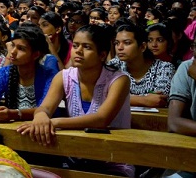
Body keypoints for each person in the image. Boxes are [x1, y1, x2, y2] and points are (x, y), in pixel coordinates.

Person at [17, 25, 133, 177]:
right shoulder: (64, 76)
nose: (78, 51)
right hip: (75, 155)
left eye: (87, 47)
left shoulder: (119, 79)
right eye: (76, 45)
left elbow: (101, 119)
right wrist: (41, 117)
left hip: (113, 159)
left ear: (102, 55)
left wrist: (54, 122)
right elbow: (45, 107)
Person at [0, 26, 57, 122]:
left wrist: (14, 114)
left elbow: (45, 109)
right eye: (13, 45)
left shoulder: (49, 76)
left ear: (36, 55)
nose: (12, 52)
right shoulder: (3, 73)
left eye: (21, 49)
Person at [111, 22, 175, 108]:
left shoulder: (164, 67)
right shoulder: (113, 65)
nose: (119, 47)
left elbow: (159, 100)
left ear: (142, 47)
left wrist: (117, 98)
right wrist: (145, 99)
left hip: (152, 120)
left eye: (127, 43)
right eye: (117, 43)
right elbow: (102, 95)